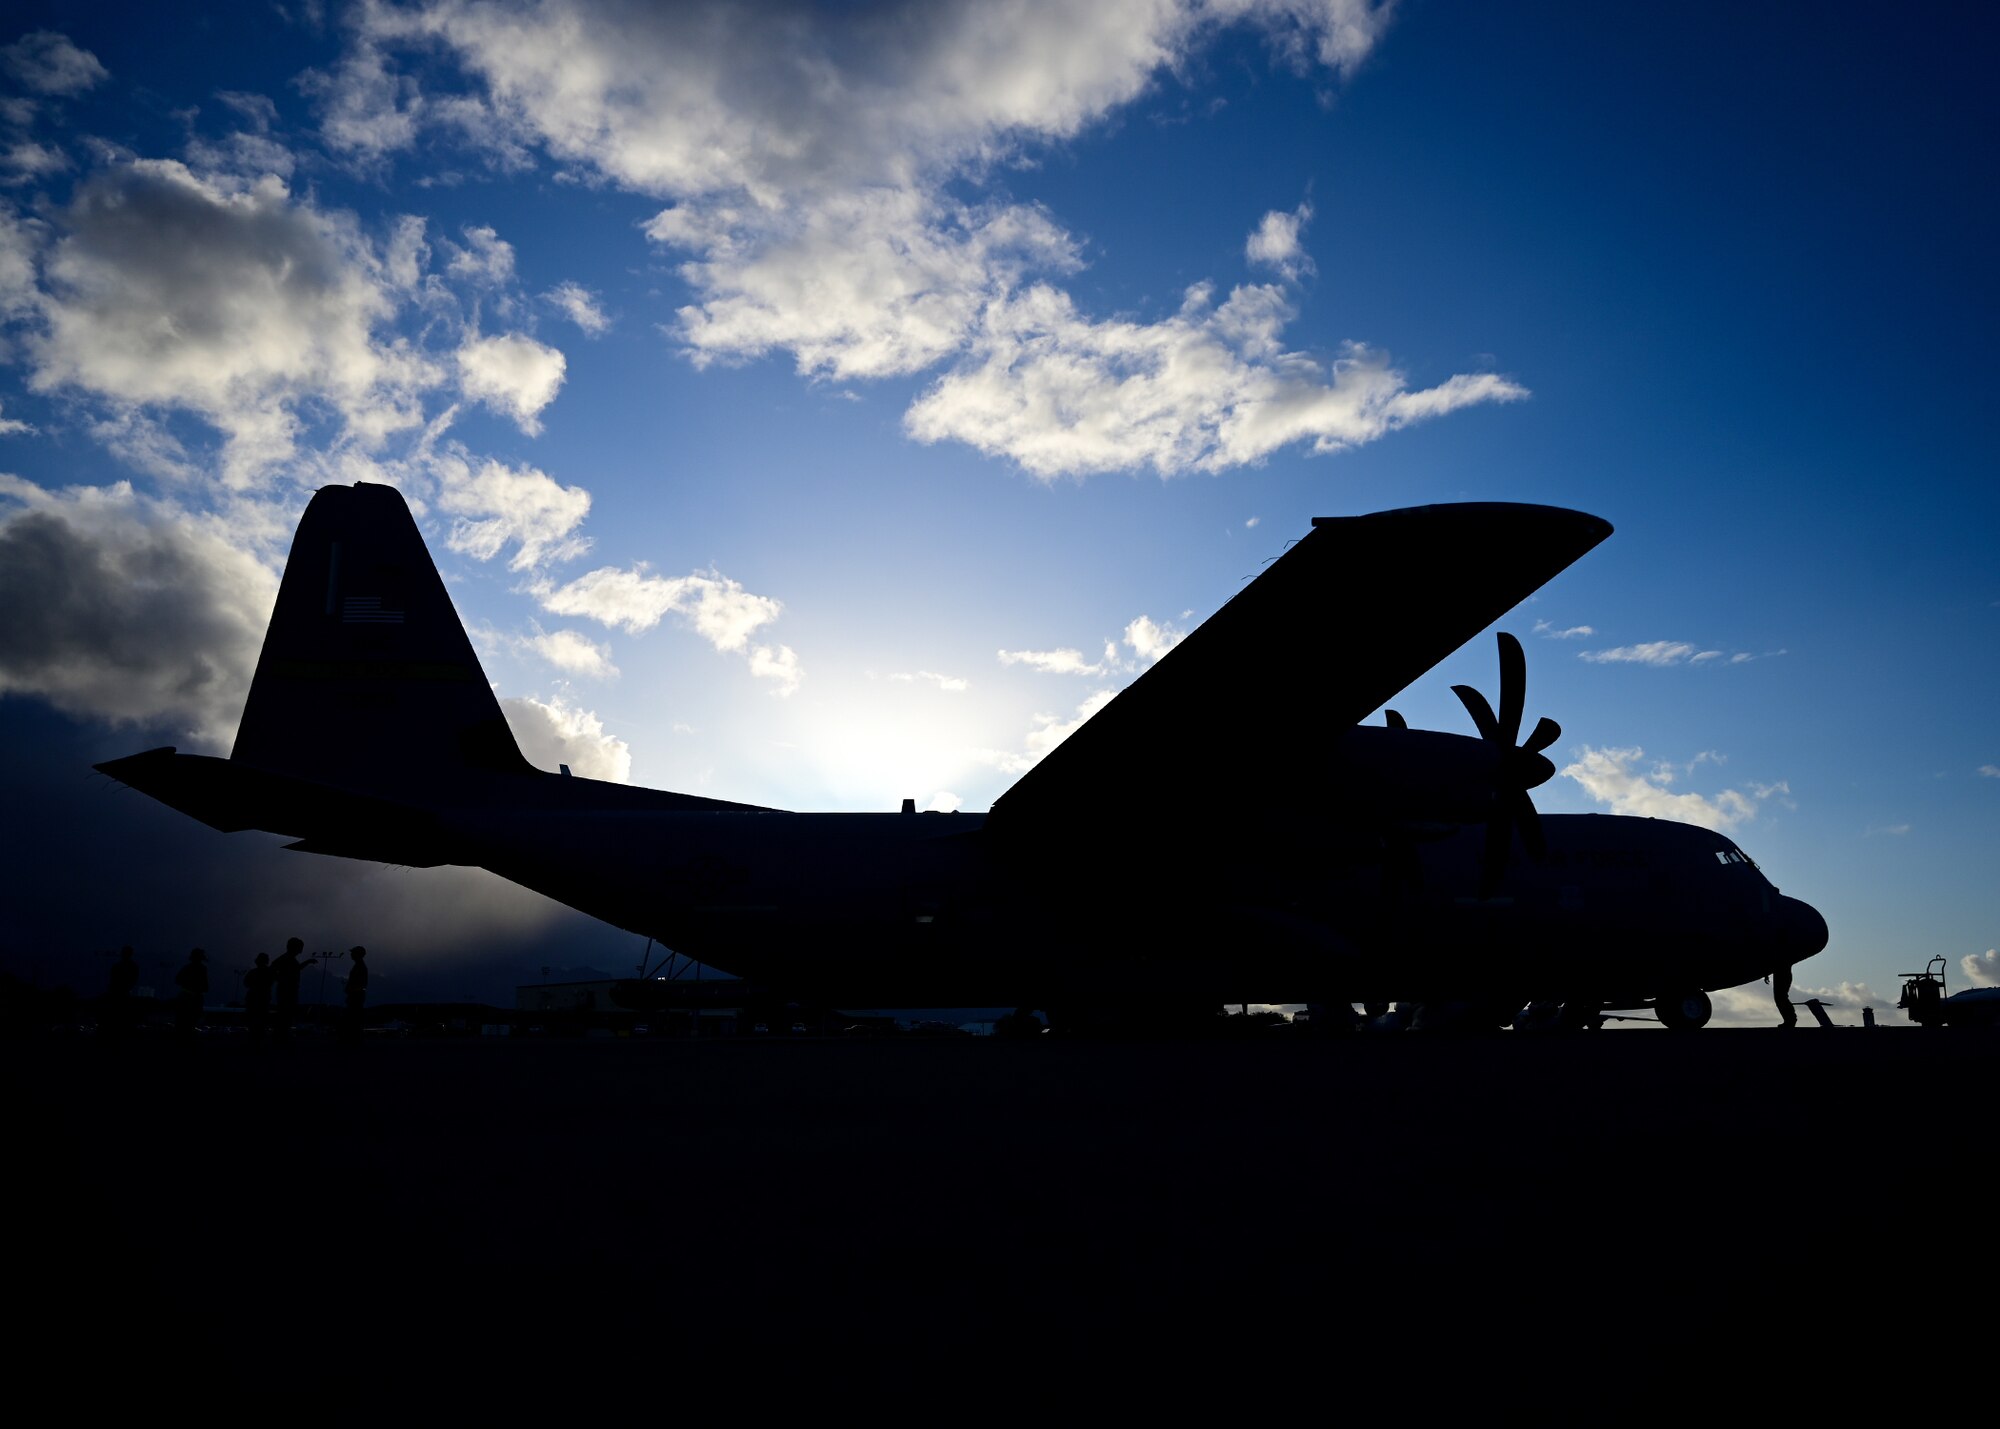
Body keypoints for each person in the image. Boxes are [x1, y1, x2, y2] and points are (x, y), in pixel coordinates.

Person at [270, 938, 315, 1041]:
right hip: (287, 991)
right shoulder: (286, 958)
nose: (301, 950)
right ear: (295, 947)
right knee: (285, 1014)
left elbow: (296, 968)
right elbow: (272, 968)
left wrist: (307, 962)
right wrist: (281, 980)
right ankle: (281, 1036)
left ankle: (282, 1035)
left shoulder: (290, 959)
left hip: (289, 990)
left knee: (287, 1014)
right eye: (300, 947)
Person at [103, 946, 140, 1038]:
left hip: (120, 994)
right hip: (120, 993)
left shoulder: (121, 966)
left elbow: (132, 979)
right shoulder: (124, 966)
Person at [173, 948, 208, 1038]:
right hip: (195, 998)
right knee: (192, 1021)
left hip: (186, 996)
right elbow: (205, 986)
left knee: (182, 1020)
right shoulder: (203, 969)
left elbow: (177, 980)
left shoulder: (187, 968)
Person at [339, 945, 368, 1045]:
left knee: (353, 1018)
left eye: (353, 953)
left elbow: (361, 984)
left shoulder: (360, 967)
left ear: (357, 954)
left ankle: (353, 1039)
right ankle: (353, 1039)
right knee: (354, 1018)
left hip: (356, 996)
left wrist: (351, 991)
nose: (351, 954)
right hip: (356, 995)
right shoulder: (359, 966)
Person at [242, 952, 273, 1043]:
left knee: (253, 1022)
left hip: (253, 1000)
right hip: (263, 1001)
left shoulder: (252, 972)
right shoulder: (269, 972)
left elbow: (246, 983)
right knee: (261, 1023)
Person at [1771, 963, 1796, 1028]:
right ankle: (1789, 1019)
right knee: (1779, 997)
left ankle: (1790, 1019)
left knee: (1780, 997)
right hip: (1779, 974)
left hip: (1782, 975)